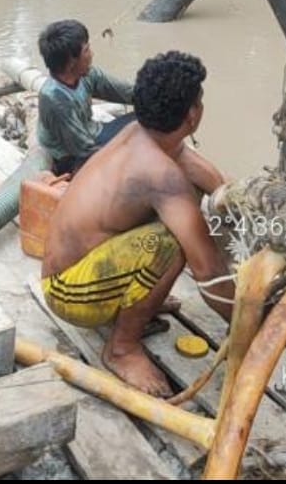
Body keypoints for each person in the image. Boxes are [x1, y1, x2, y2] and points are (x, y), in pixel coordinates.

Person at [40, 51, 233, 396]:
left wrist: (237, 200)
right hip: (69, 293)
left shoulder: (139, 132)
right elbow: (209, 272)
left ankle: (138, 302)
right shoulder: (159, 175)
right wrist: (248, 322)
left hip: (72, 271)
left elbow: (201, 170)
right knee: (172, 242)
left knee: (180, 216)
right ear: (192, 114)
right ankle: (121, 348)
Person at [36, 19, 137, 175]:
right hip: (70, 158)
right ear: (71, 62)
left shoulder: (86, 74)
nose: (92, 54)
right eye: (87, 50)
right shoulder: (55, 99)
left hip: (92, 133)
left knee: (148, 118)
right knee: (141, 138)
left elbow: (130, 93)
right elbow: (83, 150)